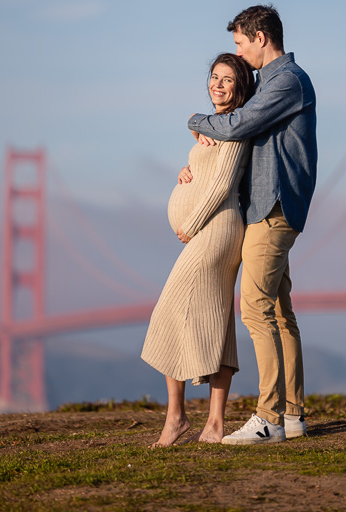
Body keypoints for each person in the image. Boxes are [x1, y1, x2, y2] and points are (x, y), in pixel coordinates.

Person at [188, 4, 317, 445]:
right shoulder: (271, 83)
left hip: (273, 209)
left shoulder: (287, 81)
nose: (238, 55)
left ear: (261, 38)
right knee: (280, 312)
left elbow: (242, 123)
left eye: (241, 44)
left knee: (255, 309)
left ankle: (269, 420)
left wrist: (197, 121)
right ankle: (294, 415)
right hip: (269, 207)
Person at [141, 53, 254, 446]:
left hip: (215, 229)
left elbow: (222, 185)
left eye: (227, 80)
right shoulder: (213, 127)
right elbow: (208, 172)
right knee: (218, 322)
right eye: (214, 77)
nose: (218, 85)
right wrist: (186, 172)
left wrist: (189, 222)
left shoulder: (236, 128)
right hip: (215, 229)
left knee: (170, 311)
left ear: (240, 88)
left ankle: (176, 419)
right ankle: (215, 424)